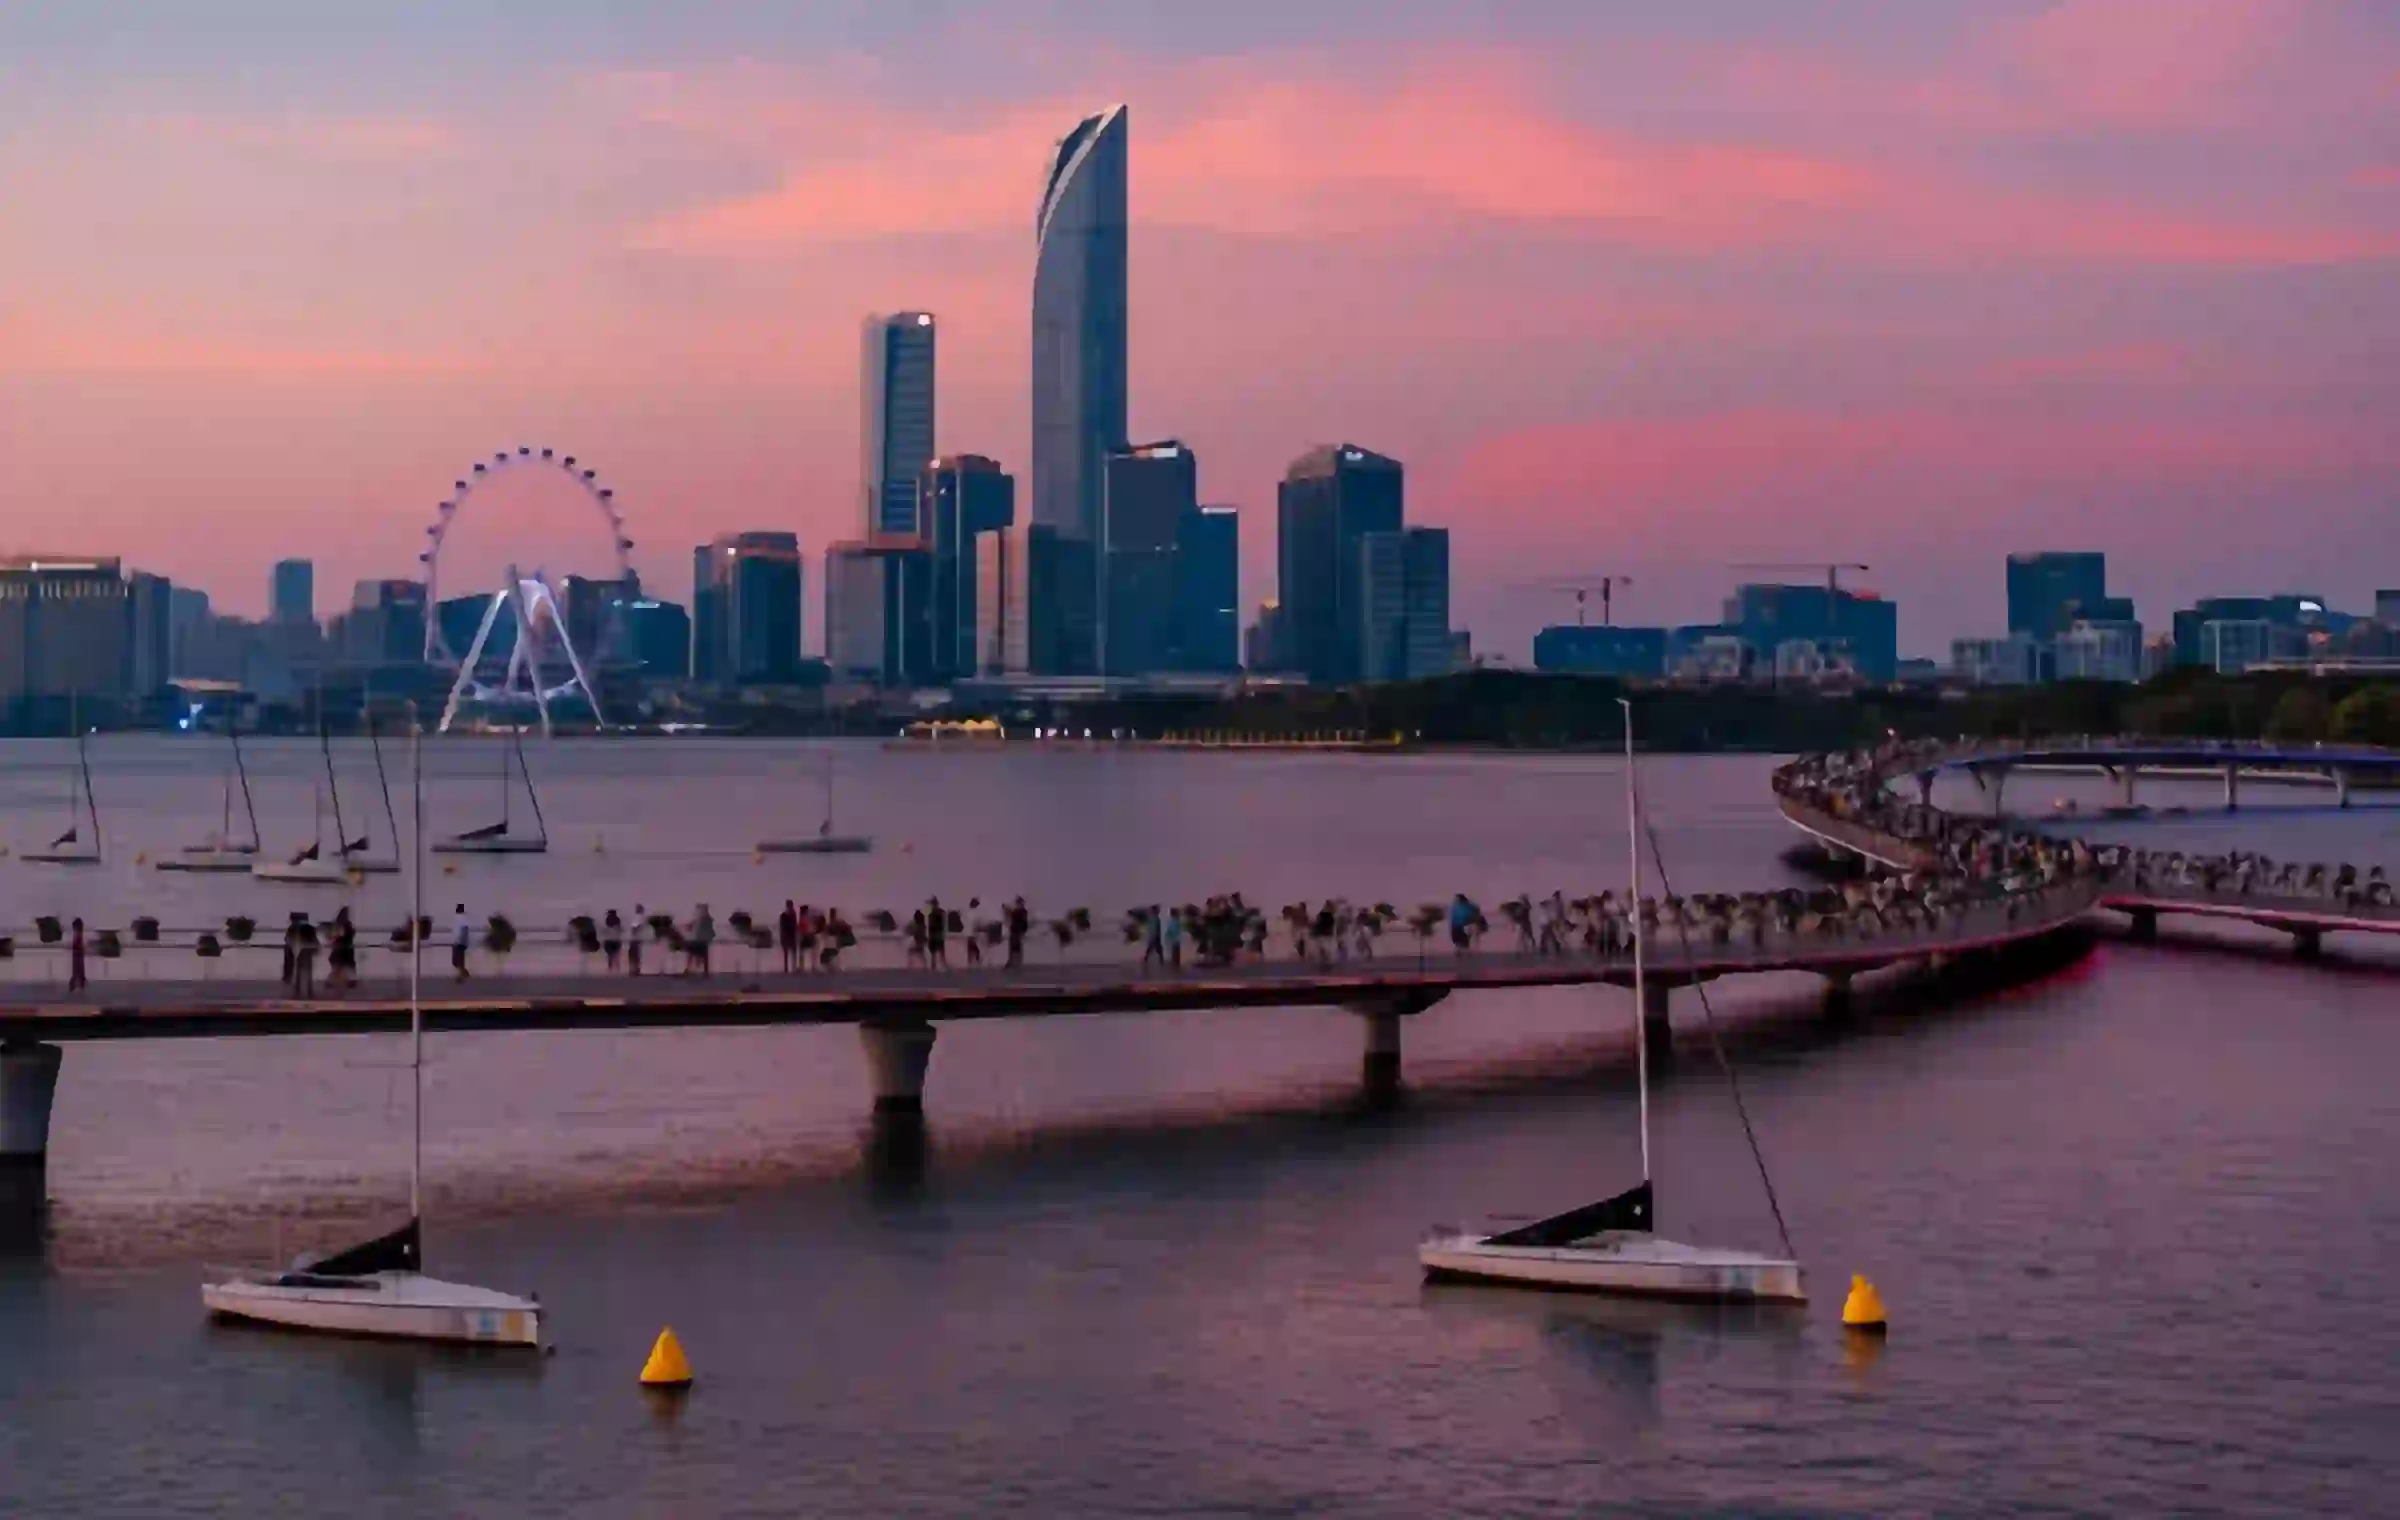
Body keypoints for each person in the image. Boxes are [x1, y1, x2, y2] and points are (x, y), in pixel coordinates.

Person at [327, 908, 357, 993]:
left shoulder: (337, 924)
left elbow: (332, 937)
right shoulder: (347, 925)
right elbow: (351, 934)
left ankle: (332, 982)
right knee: (343, 966)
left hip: (341, 949)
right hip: (345, 949)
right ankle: (349, 981)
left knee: (338, 967)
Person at [293, 914, 320, 998]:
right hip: (307, 951)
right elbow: (315, 940)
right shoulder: (310, 928)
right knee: (308, 972)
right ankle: (308, 991)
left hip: (303, 951)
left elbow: (296, 939)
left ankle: (299, 990)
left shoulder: (299, 929)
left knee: (300, 971)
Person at [688, 903, 714, 978]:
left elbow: (709, 930)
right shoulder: (699, 919)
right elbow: (691, 927)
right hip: (698, 940)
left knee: (701, 957)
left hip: (701, 940)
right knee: (695, 956)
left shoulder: (706, 919)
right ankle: (702, 972)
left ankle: (704, 973)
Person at [451, 903, 474, 982]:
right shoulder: (460, 918)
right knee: (457, 961)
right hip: (459, 942)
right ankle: (463, 974)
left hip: (459, 942)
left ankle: (462, 975)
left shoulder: (462, 918)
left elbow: (464, 930)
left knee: (457, 960)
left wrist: (460, 941)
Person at [777, 899, 800, 974]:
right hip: (786, 936)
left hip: (792, 936)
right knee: (786, 953)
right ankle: (786, 968)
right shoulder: (784, 916)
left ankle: (793, 967)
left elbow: (795, 925)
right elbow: (782, 926)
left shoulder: (793, 914)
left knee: (793, 952)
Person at [1005, 897, 1028, 969]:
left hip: (1017, 931)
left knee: (1016, 948)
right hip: (1015, 931)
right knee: (1013, 948)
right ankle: (1013, 963)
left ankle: (1015, 964)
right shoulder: (1017, 911)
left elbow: (1024, 922)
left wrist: (1023, 931)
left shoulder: (1022, 911)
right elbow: (1011, 918)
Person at [926, 897, 948, 970]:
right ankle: (935, 964)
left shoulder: (937, 912)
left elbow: (941, 923)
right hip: (934, 934)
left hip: (936, 934)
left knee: (938, 950)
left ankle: (941, 963)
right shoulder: (934, 912)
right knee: (935, 951)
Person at [68, 917, 87, 995]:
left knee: (77, 970)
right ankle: (78, 985)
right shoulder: (78, 935)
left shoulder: (78, 935)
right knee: (77, 970)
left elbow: (78, 946)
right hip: (77, 955)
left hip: (78, 956)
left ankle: (78, 985)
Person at [627, 903, 646, 977]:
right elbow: (634, 928)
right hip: (635, 939)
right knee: (635, 955)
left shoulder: (637, 917)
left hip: (635, 939)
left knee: (635, 955)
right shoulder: (638, 917)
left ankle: (634, 970)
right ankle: (634, 970)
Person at [1163, 906, 1184, 970]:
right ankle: (1175, 966)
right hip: (1175, 940)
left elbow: (1169, 931)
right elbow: (1172, 930)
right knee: (1176, 953)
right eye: (1178, 913)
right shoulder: (1174, 921)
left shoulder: (1173, 921)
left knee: (1175, 953)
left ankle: (1175, 965)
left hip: (1175, 939)